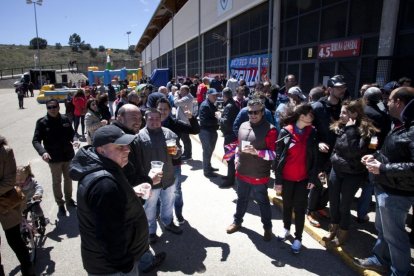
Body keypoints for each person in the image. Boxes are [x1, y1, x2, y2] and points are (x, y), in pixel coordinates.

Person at [69, 125, 150, 275]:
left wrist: (131, 193)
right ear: (101, 150)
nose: (127, 150)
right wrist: (126, 264)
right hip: (112, 268)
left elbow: (106, 211)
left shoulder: (103, 168)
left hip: (107, 262)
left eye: (127, 145)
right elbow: (108, 233)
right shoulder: (104, 184)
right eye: (120, 147)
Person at [355, 87, 414, 276]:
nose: (386, 102)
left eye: (389, 99)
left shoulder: (411, 128)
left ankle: (400, 272)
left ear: (399, 102)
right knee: (383, 230)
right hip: (385, 185)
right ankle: (380, 258)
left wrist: (382, 168)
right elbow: (390, 151)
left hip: (397, 192)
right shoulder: (399, 123)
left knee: (395, 237)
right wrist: (374, 157)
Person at [323, 100, 378, 247]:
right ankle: (333, 226)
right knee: (333, 200)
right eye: (341, 112)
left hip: (353, 173)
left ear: (354, 114)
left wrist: (350, 129)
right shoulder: (340, 126)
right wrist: (331, 164)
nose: (340, 115)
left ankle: (343, 231)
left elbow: (356, 151)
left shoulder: (366, 131)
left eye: (344, 112)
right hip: (337, 169)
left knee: (344, 204)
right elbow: (336, 149)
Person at [226, 99, 277, 242]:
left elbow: (274, 154)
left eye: (256, 112)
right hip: (242, 172)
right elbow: (239, 146)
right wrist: (236, 159)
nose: (252, 114)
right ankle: (237, 222)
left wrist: (258, 152)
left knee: (262, 202)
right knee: (241, 199)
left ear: (262, 112)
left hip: (259, 174)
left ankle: (267, 227)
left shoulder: (271, 129)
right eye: (250, 112)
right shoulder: (243, 125)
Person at [274, 104, 317, 254]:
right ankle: (286, 228)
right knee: (287, 205)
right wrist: (277, 181)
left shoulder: (312, 132)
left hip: (303, 179)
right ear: (301, 116)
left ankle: (298, 238)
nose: (312, 117)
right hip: (286, 178)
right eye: (309, 114)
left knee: (299, 209)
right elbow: (278, 157)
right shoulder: (286, 131)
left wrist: (313, 177)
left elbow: (315, 158)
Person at [137, 109, 183, 244]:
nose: (154, 121)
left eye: (157, 118)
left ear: (161, 119)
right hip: (150, 181)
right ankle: (151, 231)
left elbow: (178, 153)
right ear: (146, 119)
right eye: (151, 119)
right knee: (149, 208)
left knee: (168, 203)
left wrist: (176, 151)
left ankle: (168, 222)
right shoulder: (139, 136)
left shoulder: (169, 133)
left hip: (168, 177)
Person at [307, 75, 347, 227]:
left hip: (337, 153)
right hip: (319, 153)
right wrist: (317, 143)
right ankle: (310, 211)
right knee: (317, 183)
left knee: (331, 184)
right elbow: (309, 128)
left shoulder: (344, 108)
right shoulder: (317, 107)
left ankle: (320, 207)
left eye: (343, 87)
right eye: (338, 87)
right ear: (329, 89)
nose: (342, 90)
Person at [157, 98, 200, 225]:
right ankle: (158, 214)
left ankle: (179, 214)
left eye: (165, 109)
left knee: (176, 191)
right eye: (160, 109)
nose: (162, 112)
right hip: (156, 163)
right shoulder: (151, 122)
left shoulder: (175, 123)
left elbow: (195, 130)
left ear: (170, 110)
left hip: (173, 163)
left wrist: (191, 117)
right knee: (157, 190)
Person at [32, 99, 77, 216]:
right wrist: (43, 152)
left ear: (59, 107)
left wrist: (75, 140)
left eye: (55, 107)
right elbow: (36, 140)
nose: (52, 109)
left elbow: (72, 134)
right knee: (57, 182)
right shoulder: (42, 122)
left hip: (67, 155)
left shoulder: (65, 119)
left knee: (68, 179)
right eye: (50, 107)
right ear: (47, 108)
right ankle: (60, 204)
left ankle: (69, 199)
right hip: (54, 158)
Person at [0, 135, 34, 276]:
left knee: (14, 240)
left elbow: (9, 181)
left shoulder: (5, 151)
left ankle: (28, 269)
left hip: (6, 201)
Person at [219, 88, 239, 188]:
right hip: (232, 135)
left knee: (230, 158)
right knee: (230, 157)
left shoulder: (229, 106)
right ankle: (229, 176)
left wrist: (219, 117)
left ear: (224, 96)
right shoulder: (234, 104)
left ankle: (230, 180)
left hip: (230, 136)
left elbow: (225, 122)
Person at [199, 88, 220, 177]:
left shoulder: (211, 104)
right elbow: (203, 121)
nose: (215, 97)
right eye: (213, 95)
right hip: (206, 132)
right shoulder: (205, 105)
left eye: (216, 95)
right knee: (207, 151)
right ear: (208, 95)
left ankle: (208, 166)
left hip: (211, 131)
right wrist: (217, 120)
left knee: (210, 151)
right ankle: (207, 171)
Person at [174, 85, 194, 160]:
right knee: (184, 139)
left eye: (181, 90)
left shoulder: (187, 98)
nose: (179, 91)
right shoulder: (187, 97)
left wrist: (176, 95)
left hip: (184, 122)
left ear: (185, 91)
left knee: (185, 139)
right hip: (183, 121)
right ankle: (186, 153)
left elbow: (176, 103)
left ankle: (188, 155)